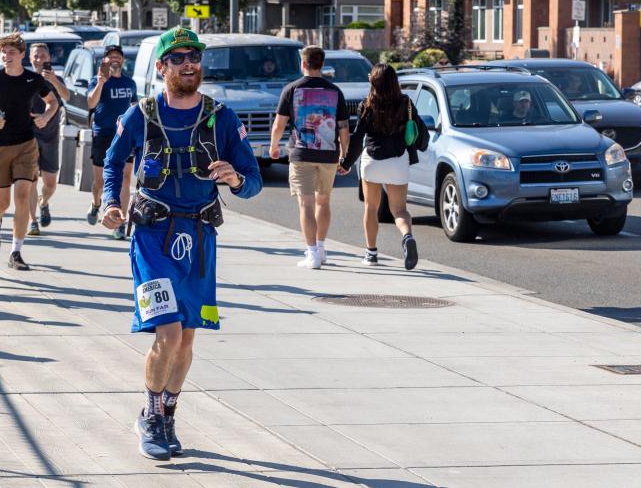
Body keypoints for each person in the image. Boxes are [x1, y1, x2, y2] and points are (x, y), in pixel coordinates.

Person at [101, 27, 262, 461]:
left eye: (194, 56)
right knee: (168, 333)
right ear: (162, 67)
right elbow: (114, 160)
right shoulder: (142, 114)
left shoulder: (222, 117)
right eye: (178, 57)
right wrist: (108, 204)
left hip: (200, 239)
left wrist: (236, 178)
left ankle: (168, 414)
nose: (189, 63)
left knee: (187, 340)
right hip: (152, 237)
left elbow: (253, 182)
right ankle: (150, 414)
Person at [0, 33, 56, 271]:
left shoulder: (32, 79)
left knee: (22, 195)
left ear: (22, 55)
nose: (6, 57)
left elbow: (53, 103)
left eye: (11, 52)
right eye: (3, 52)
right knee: (1, 203)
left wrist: (45, 116)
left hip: (26, 145)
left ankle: (16, 252)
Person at [339, 63, 427, 270]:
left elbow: (358, 136)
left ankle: (371, 254)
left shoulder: (367, 104)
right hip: (398, 161)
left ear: (374, 80)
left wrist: (346, 163)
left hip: (373, 161)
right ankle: (407, 237)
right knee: (400, 210)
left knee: (371, 207)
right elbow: (420, 130)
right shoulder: (406, 103)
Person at [269, 45, 350, 269]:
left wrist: (273, 147)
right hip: (329, 154)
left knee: (306, 204)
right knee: (323, 201)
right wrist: (345, 155)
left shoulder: (291, 89)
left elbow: (279, 124)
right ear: (322, 65)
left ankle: (312, 253)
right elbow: (344, 128)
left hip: (301, 152)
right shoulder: (335, 92)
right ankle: (321, 248)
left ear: (303, 64)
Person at [86, 45, 136, 240]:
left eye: (118, 56)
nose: (115, 59)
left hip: (124, 135)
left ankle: (120, 223)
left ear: (123, 60)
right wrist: (101, 82)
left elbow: (133, 105)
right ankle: (97, 203)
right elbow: (91, 103)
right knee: (101, 182)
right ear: (105, 61)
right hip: (102, 134)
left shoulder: (129, 82)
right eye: (110, 57)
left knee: (124, 179)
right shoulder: (97, 81)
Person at [27, 42, 70, 236]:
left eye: (43, 56)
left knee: (51, 183)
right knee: (31, 179)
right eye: (35, 56)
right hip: (29, 136)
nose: (39, 59)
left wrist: (54, 80)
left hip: (51, 137)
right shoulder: (25, 78)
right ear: (29, 58)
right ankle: (32, 221)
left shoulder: (56, 78)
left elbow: (67, 97)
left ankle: (43, 203)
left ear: (49, 59)